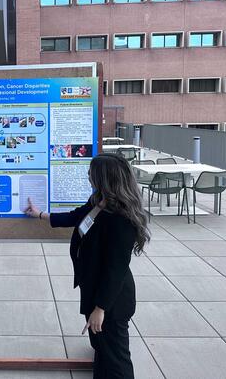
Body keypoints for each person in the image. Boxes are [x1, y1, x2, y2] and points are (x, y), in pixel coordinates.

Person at [24, 153, 150, 379]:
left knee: (116, 359)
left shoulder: (121, 219)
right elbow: (75, 217)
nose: (88, 176)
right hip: (94, 287)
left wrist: (100, 309)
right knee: (102, 350)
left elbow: (116, 270)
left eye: (91, 172)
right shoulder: (99, 202)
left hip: (111, 300)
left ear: (105, 178)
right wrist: (40, 214)